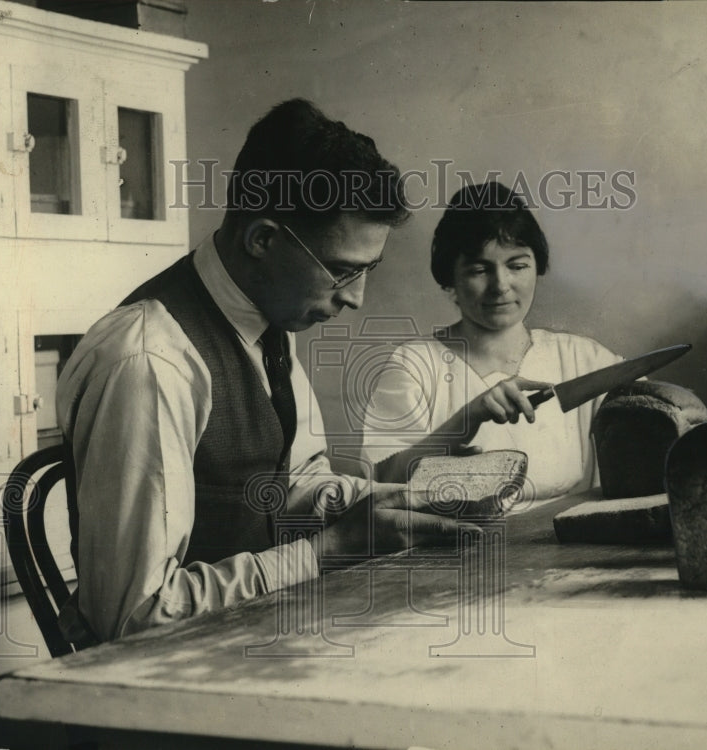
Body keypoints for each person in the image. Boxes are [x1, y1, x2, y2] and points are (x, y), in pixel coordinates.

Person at [55, 99, 477, 645]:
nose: (355, 297)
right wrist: (329, 551)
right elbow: (134, 617)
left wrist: (390, 503)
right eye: (343, 270)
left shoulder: (264, 317)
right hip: (165, 687)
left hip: (256, 638)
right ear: (262, 240)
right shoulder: (149, 362)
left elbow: (293, 481)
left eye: (369, 269)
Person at [361, 181, 622, 502]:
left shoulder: (583, 358)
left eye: (517, 266)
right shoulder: (414, 364)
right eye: (479, 269)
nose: (501, 285)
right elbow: (383, 480)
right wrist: (468, 417)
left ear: (537, 266)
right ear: (450, 277)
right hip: (454, 545)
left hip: (563, 542)